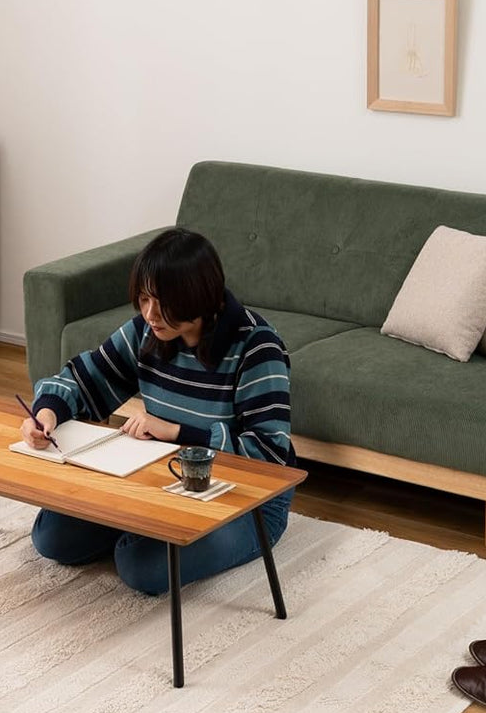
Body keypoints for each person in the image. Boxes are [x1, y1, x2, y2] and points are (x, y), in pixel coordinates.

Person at [22, 227, 296, 595]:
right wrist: (48, 413)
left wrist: (178, 433)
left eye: (163, 303)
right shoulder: (148, 331)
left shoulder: (256, 347)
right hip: (165, 481)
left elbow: (269, 453)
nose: (150, 313)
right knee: (52, 537)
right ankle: (140, 526)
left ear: (198, 297)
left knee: (142, 567)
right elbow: (81, 378)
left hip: (250, 500)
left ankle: (139, 531)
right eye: (144, 298)